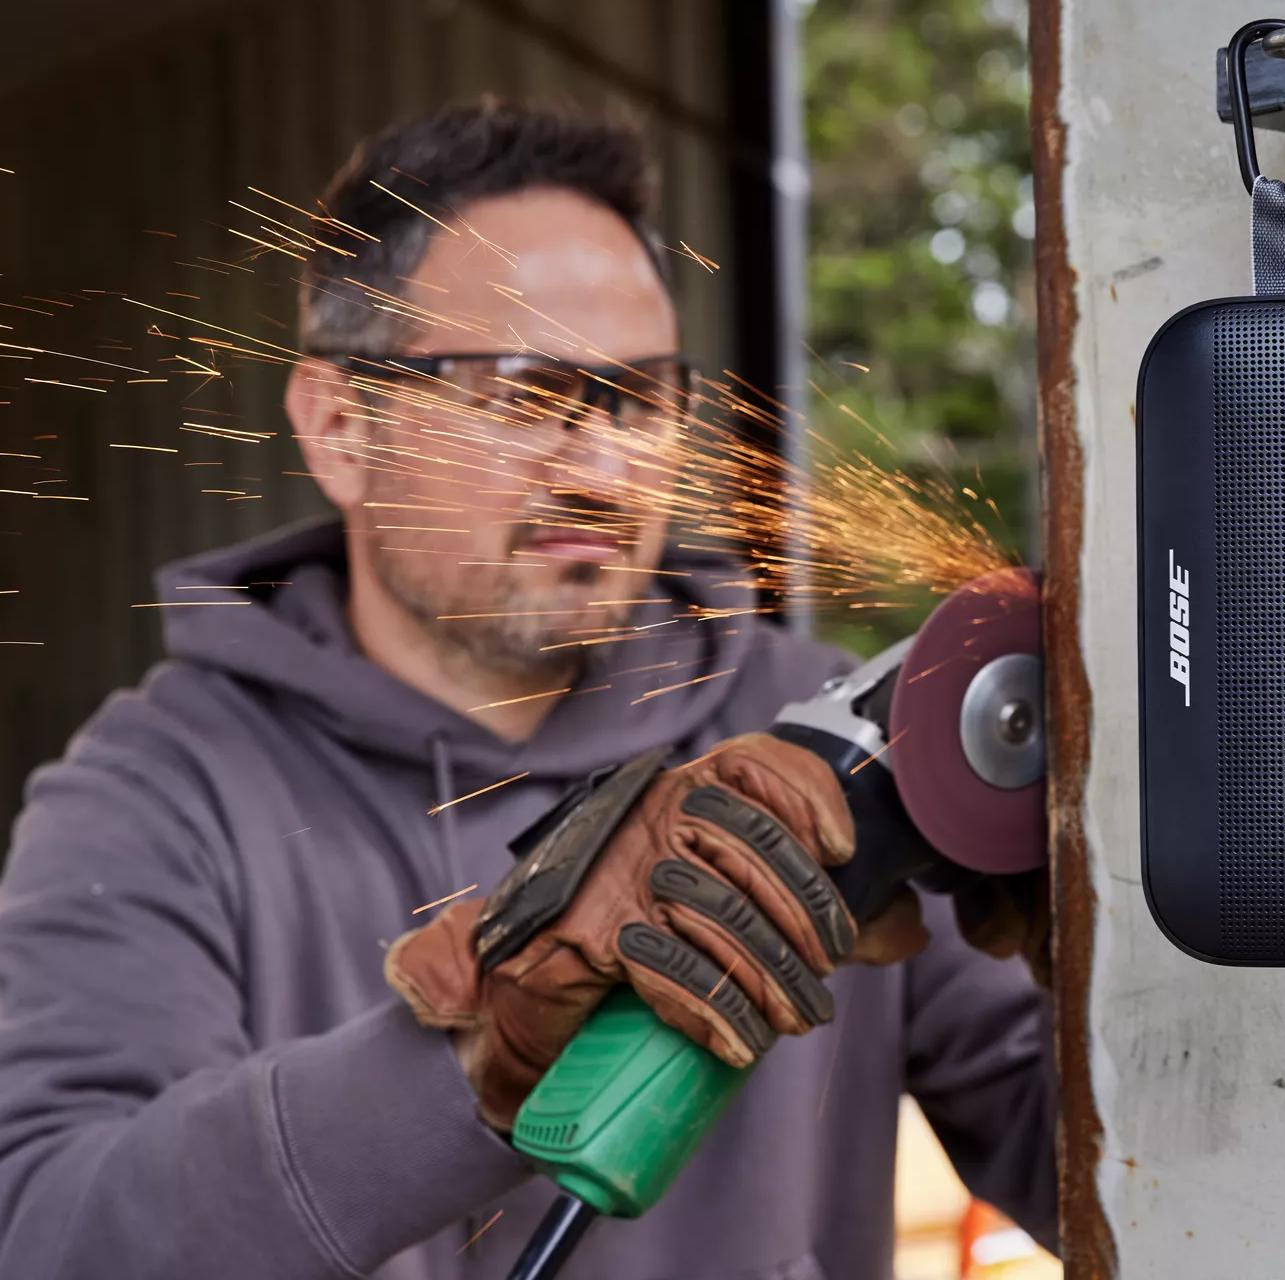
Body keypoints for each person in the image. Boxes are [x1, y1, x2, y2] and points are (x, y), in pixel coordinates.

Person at [0, 102, 1054, 1279]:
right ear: (342, 424)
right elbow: (54, 1232)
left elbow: (1147, 1172)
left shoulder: (812, 751)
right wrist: (474, 1056)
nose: (605, 469)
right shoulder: (155, 793)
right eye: (521, 391)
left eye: (641, 397)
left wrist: (1125, 926)